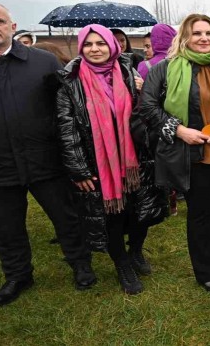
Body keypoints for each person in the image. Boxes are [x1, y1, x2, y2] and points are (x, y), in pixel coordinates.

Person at [0, 2, 95, 307]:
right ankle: (18, 275)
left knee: (66, 217)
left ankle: (80, 264)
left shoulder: (43, 62)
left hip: (45, 158)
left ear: (13, 26)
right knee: (7, 226)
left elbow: (70, 106)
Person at [140, 13, 210, 292]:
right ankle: (206, 269)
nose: (204, 38)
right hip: (190, 153)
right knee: (201, 212)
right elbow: (148, 108)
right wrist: (179, 131)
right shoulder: (165, 69)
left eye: (209, 33)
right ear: (185, 37)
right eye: (197, 33)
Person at [56, 24, 158, 294]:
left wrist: (143, 89)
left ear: (112, 45)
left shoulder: (128, 71)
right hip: (100, 164)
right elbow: (67, 128)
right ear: (80, 48)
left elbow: (151, 109)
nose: (95, 49)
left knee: (141, 211)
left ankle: (135, 251)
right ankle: (122, 263)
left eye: (100, 43)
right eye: (88, 44)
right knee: (113, 216)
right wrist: (78, 168)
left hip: (136, 158)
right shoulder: (71, 81)